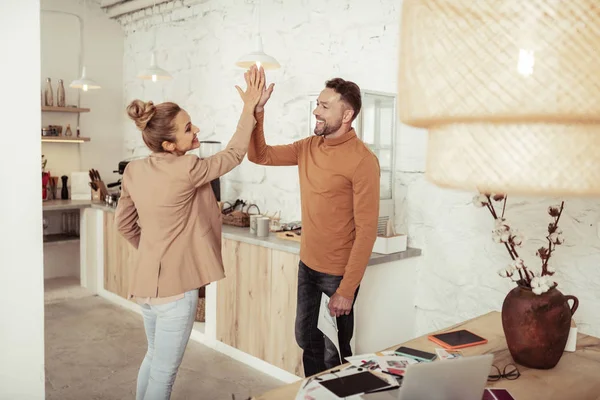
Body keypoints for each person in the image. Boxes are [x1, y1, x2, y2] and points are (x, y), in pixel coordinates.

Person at [114, 65, 264, 400]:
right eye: (187, 128)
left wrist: (154, 250)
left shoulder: (134, 170)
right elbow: (235, 154)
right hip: (176, 292)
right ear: (169, 145)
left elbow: (124, 225)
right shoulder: (189, 168)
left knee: (152, 358)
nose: (195, 129)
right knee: (164, 377)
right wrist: (249, 107)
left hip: (146, 289)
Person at [248, 71, 380, 376]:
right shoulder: (309, 146)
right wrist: (258, 111)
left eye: (324, 106)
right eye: (317, 104)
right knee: (307, 341)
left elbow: (367, 231)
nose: (315, 111)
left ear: (347, 114)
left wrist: (347, 290)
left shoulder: (362, 161)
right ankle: (314, 394)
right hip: (308, 265)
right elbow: (260, 156)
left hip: (337, 274)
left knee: (335, 352)